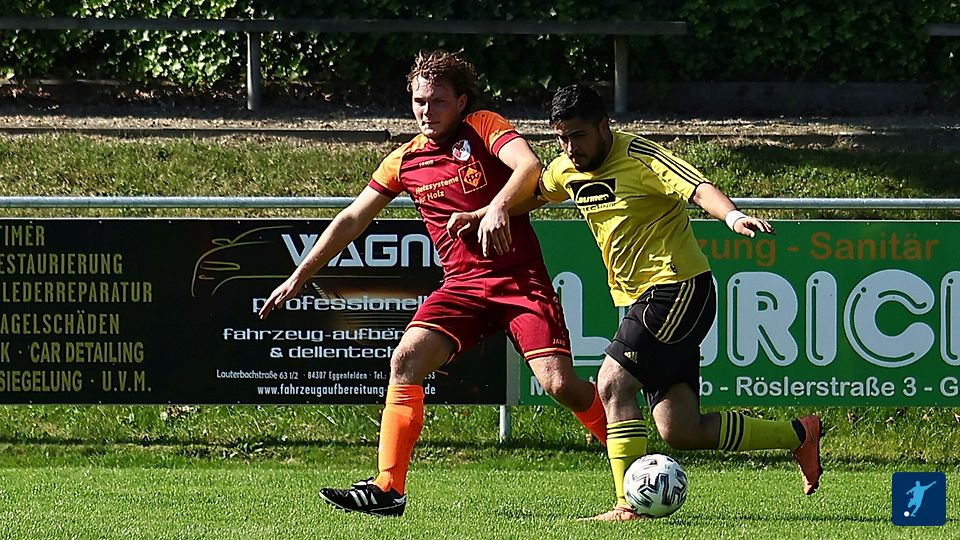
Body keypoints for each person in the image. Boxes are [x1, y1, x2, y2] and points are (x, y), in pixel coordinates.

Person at [258, 52, 608, 517]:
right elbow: (353, 218)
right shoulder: (404, 160)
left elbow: (529, 166)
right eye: (419, 101)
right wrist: (300, 275)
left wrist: (499, 206)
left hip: (518, 279)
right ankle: (388, 488)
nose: (426, 111)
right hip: (462, 286)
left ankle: (630, 449)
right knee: (405, 360)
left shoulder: (483, 125)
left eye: (438, 101)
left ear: (461, 102)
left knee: (560, 385)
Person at [452, 84, 824, 522]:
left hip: (678, 288)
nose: (571, 147)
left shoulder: (640, 156)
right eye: (562, 138)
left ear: (603, 126)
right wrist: (484, 213)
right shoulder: (566, 169)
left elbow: (697, 188)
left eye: (579, 135)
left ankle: (628, 505)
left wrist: (732, 215)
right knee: (680, 429)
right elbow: (534, 195)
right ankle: (799, 434)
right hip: (642, 299)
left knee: (612, 383)